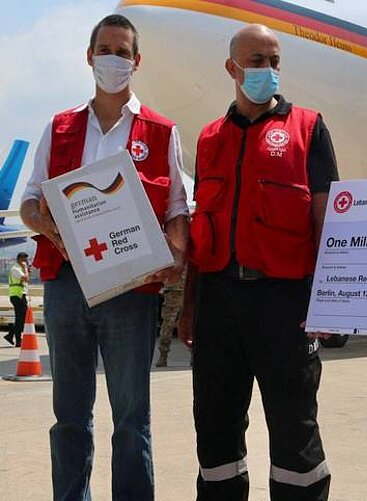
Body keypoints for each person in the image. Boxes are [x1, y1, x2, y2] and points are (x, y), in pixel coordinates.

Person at [19, 14, 189, 501]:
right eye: (105, 50)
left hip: (132, 289)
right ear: (89, 56)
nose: (113, 60)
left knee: (132, 418)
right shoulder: (61, 126)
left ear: (137, 61)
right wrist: (48, 227)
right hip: (67, 283)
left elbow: (178, 206)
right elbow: (31, 199)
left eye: (123, 52)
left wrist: (175, 254)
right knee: (69, 415)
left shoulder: (161, 130)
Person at [179, 24, 338, 501]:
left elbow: (327, 222)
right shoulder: (209, 138)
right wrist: (189, 308)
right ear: (231, 68)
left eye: (273, 61)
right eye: (256, 61)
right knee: (215, 432)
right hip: (218, 303)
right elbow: (199, 230)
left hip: (284, 305)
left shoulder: (309, 128)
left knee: (294, 432)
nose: (266, 71)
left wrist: (327, 302)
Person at [155, 269, 185, 367]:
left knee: (169, 323)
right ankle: (163, 355)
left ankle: (163, 356)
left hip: (178, 287)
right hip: (176, 288)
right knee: (168, 324)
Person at [4, 252, 29, 347]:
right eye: (24, 259)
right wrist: (25, 268)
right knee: (20, 318)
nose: (26, 261)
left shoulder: (20, 269)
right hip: (16, 296)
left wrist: (25, 269)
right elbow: (26, 278)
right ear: (19, 259)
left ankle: (11, 334)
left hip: (21, 295)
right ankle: (18, 340)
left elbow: (26, 279)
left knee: (22, 318)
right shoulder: (15, 269)